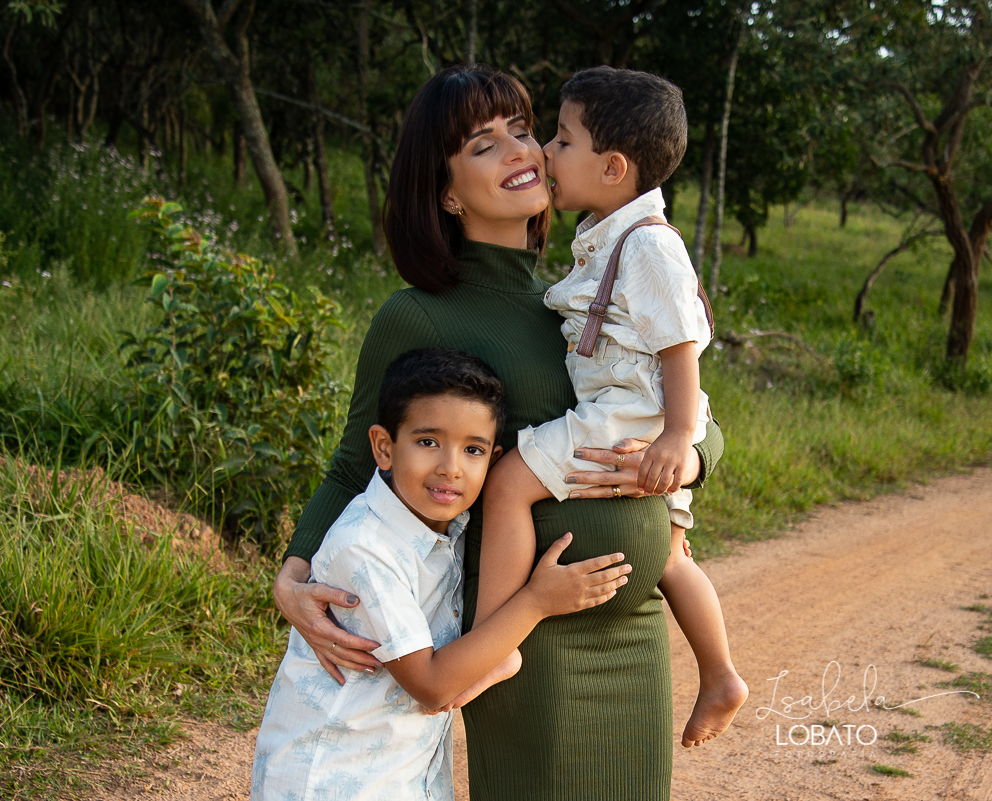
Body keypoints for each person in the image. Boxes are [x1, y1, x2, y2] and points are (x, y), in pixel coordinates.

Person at [272, 65, 724, 801]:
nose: (522, 150)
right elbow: (355, 462)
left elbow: (696, 414)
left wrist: (693, 460)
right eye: (485, 144)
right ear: (447, 191)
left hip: (634, 626)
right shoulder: (418, 315)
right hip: (527, 637)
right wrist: (292, 574)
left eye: (523, 130)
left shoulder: (578, 297)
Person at [474, 67, 748, 749]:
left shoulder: (648, 243)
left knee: (507, 484)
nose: (545, 151)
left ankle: (491, 639)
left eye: (562, 140)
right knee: (673, 556)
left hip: (630, 415)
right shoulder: (607, 234)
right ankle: (720, 674)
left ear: (613, 167)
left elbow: (679, 343)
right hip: (637, 415)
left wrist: (677, 437)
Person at [251, 348, 631, 801]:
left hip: (396, 774)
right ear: (384, 447)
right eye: (428, 442)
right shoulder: (365, 547)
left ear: (492, 460)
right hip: (328, 779)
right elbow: (432, 687)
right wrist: (536, 603)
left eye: (473, 450)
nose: (451, 467)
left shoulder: (447, 523)